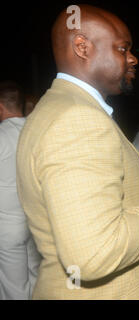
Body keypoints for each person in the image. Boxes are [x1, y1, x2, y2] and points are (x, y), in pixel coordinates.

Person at [16, 5, 139, 299]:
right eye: (123, 49)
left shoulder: (60, 110)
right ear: (82, 47)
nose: (133, 58)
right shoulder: (76, 120)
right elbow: (94, 252)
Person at [0, 81, 41, 299]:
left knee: (13, 287)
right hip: (34, 222)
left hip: (7, 227)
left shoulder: (2, 135)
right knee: (36, 278)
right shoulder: (35, 130)